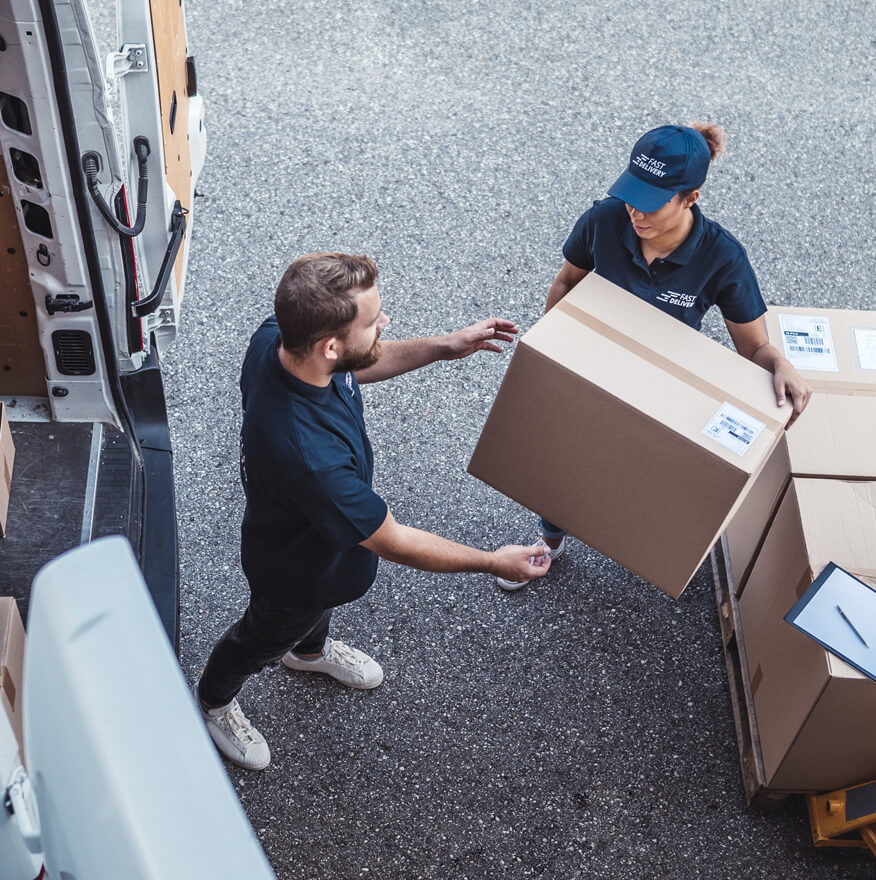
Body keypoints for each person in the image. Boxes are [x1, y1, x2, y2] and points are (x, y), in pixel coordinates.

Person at [195, 252, 551, 769]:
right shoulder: (311, 460)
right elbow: (393, 540)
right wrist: (496, 562)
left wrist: (443, 346)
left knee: (313, 615)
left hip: (327, 546)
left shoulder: (278, 339)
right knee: (264, 633)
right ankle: (214, 700)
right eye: (373, 319)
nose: (385, 322)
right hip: (295, 571)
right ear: (330, 344)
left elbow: (358, 365)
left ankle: (309, 654)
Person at [497, 122, 812, 591]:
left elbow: (754, 348)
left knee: (639, 469)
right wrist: (552, 348)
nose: (635, 210)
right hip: (593, 365)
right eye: (632, 192)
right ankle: (550, 538)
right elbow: (566, 281)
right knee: (566, 460)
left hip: (664, 382)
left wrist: (780, 365)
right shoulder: (604, 220)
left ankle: (640, 545)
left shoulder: (723, 258)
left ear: (690, 198)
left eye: (653, 200)